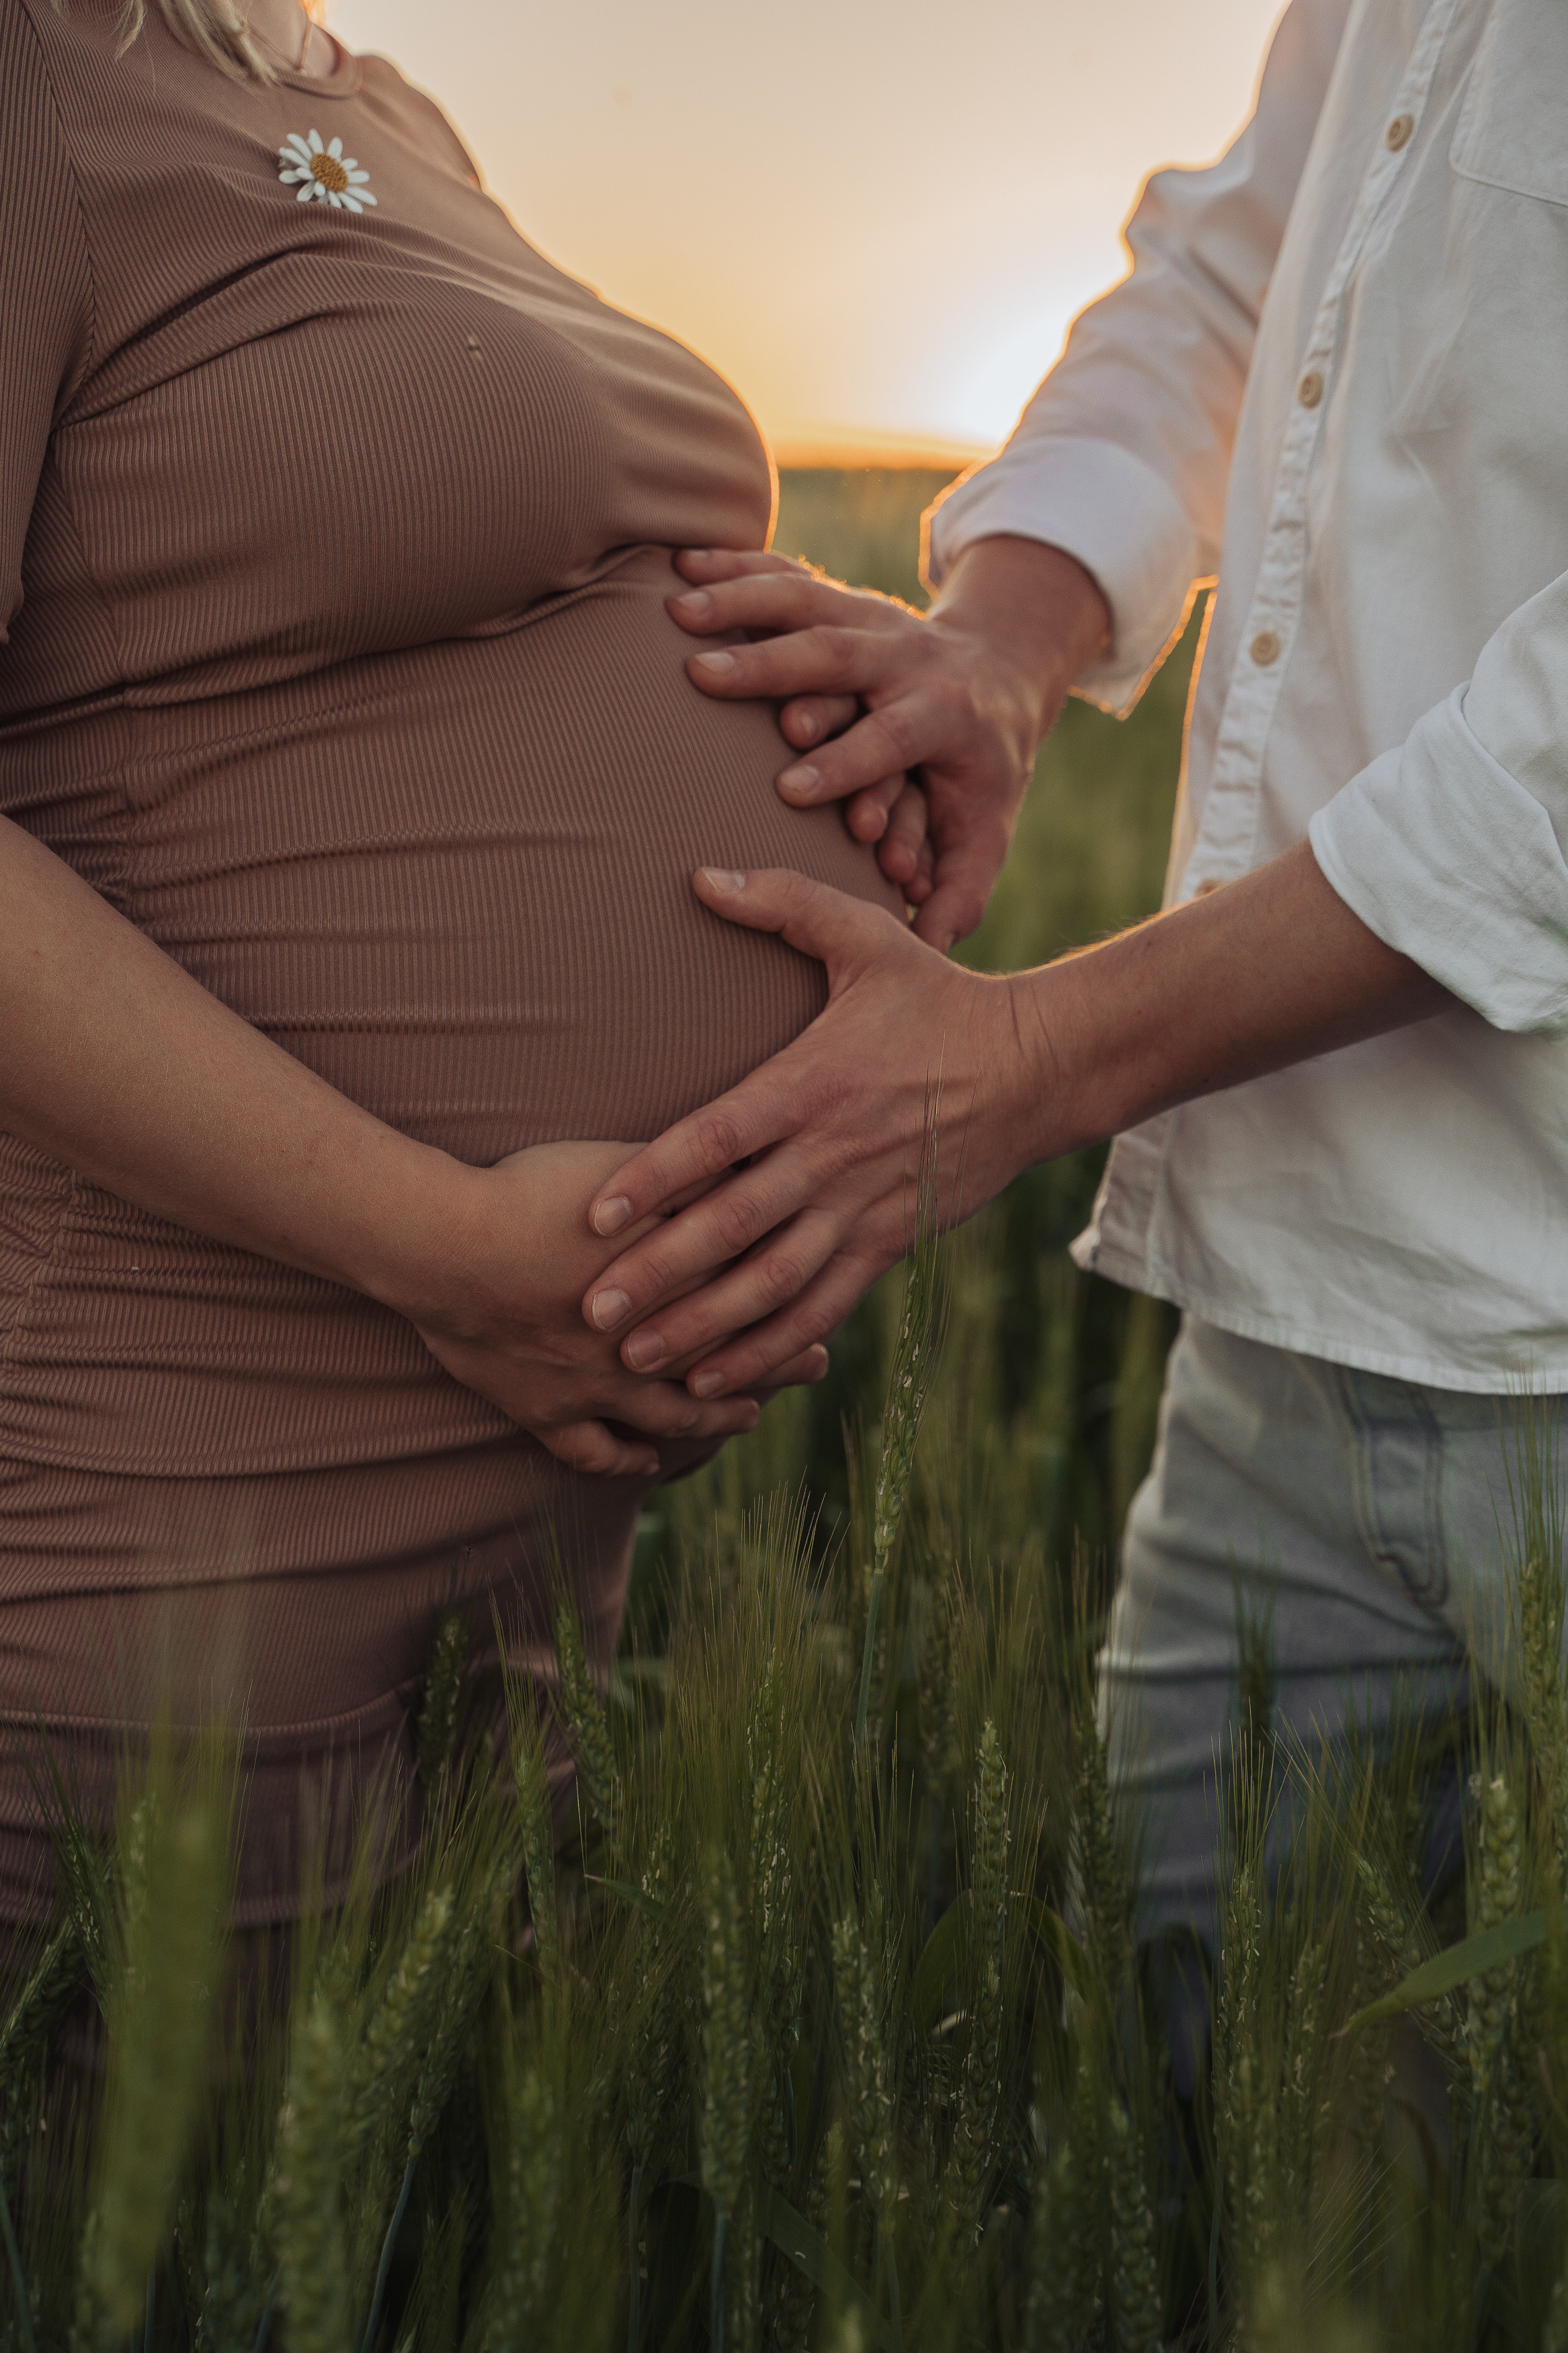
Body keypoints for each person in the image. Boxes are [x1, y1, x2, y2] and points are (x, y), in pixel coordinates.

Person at [577, 0, 1568, 1948]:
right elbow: (1239, 262)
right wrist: (1001, 644)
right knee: (1216, 2144)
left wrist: (1033, 1058)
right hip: (1287, 1307)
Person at [0, 0, 912, 1935]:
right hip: (185, 1447)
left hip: (535, 1462)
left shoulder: (371, 98)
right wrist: (432, 1240)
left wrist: (853, 677)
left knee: (429, 2213)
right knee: (139, 2204)